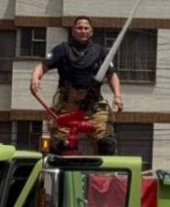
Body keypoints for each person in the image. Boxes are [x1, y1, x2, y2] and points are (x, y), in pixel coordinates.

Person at [30, 15, 123, 155]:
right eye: (79, 28)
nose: (83, 31)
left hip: (93, 105)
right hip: (68, 106)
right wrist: (35, 78)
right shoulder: (62, 49)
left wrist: (118, 95)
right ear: (73, 31)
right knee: (59, 145)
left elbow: (111, 74)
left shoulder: (100, 51)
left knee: (107, 144)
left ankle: (102, 175)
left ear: (91, 32)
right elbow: (42, 66)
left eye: (86, 28)